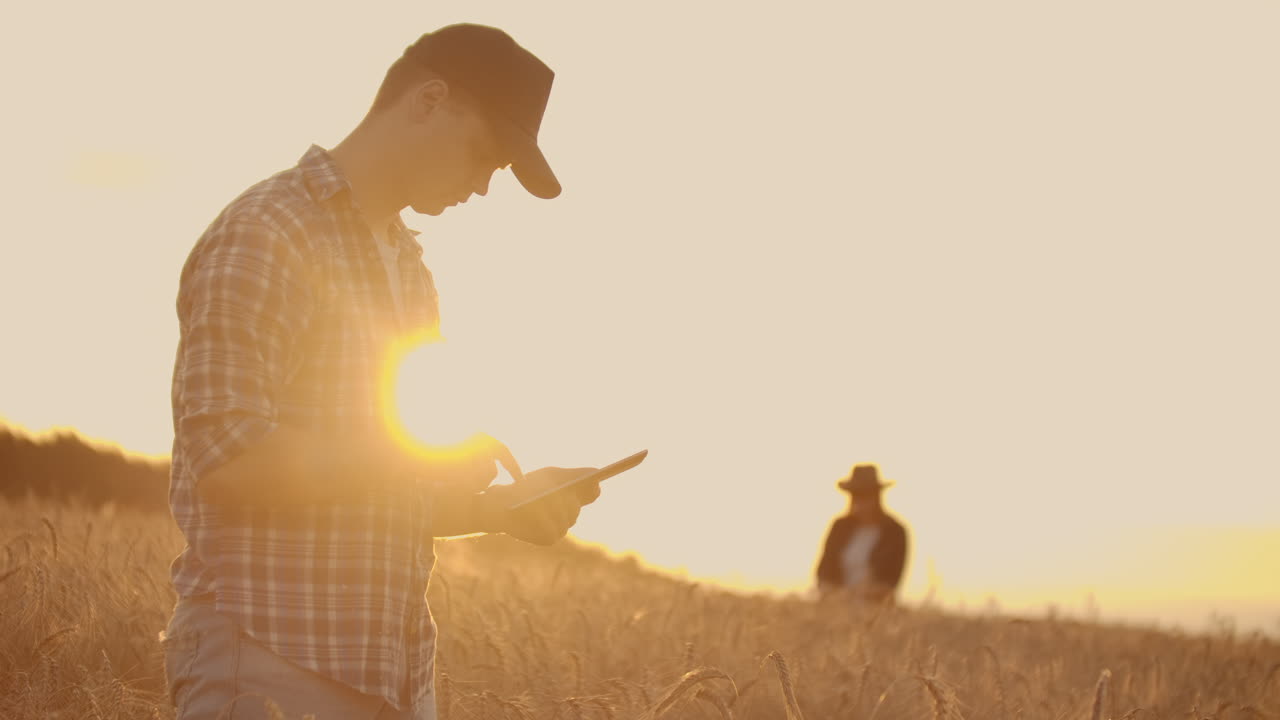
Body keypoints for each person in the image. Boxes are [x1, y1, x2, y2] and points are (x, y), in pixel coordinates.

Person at [162, 23, 597, 720]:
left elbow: (378, 495)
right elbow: (228, 465)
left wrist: (498, 512)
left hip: (392, 677)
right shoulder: (267, 233)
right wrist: (411, 455)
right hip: (271, 659)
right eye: (485, 155)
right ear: (428, 100)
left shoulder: (409, 271)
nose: (485, 187)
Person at [815, 463, 908, 604]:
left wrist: (856, 593)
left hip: (876, 611)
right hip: (835, 608)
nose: (860, 501)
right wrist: (833, 594)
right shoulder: (839, 527)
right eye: (856, 495)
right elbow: (824, 571)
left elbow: (891, 582)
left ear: (876, 497)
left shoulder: (895, 532)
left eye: (865, 495)